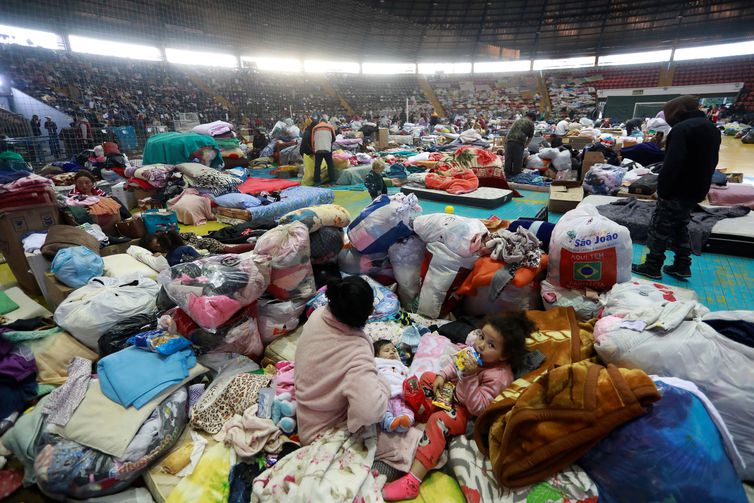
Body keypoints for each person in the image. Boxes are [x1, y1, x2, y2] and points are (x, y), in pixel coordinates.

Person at [382, 312, 534, 501]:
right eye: (481, 336)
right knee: (428, 377)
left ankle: (413, 480)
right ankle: (421, 412)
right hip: (453, 393)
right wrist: (442, 376)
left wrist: (470, 376)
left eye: (491, 344)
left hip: (465, 412)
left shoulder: (499, 376)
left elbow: (477, 408)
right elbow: (455, 366)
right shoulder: (476, 352)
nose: (480, 344)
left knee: (439, 421)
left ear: (505, 355)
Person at [294, 276, 392, 445]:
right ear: (368, 314)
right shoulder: (357, 351)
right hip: (323, 436)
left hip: (304, 416)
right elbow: (369, 412)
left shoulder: (317, 314)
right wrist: (384, 383)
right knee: (404, 444)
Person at [632, 95, 721, 280]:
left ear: (678, 110)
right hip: (697, 187)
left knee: (659, 227)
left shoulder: (682, 129)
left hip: (677, 188)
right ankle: (682, 265)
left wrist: (663, 190)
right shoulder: (711, 128)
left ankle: (652, 266)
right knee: (680, 226)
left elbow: (672, 163)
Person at [374, 340, 414, 433]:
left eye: (394, 350)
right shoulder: (376, 362)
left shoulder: (400, 364)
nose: (392, 352)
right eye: (387, 351)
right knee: (383, 408)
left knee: (407, 408)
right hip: (384, 392)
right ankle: (388, 422)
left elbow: (409, 375)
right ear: (377, 354)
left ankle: (405, 420)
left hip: (400, 393)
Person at [504, 111, 536, 177]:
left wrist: (506, 141)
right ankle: (516, 175)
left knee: (508, 158)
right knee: (517, 159)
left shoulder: (518, 120)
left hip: (510, 140)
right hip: (519, 141)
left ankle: (507, 175)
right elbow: (530, 137)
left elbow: (510, 130)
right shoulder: (531, 123)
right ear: (532, 118)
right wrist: (525, 145)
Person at [311, 118, 337, 185]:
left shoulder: (315, 128)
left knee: (317, 166)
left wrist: (314, 149)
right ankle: (332, 181)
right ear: (326, 122)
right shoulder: (330, 127)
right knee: (330, 165)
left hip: (318, 149)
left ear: (320, 122)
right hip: (327, 149)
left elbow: (312, 140)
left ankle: (317, 182)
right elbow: (334, 138)